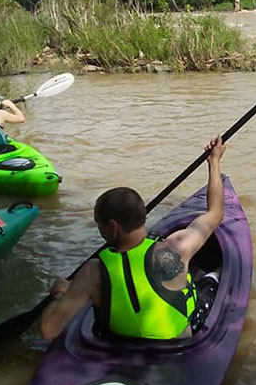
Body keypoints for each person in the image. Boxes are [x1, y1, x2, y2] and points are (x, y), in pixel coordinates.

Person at [41, 136, 227, 342]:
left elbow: (48, 331)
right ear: (142, 216)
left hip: (121, 347)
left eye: (99, 224)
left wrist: (60, 293)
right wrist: (214, 162)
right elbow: (215, 213)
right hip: (177, 344)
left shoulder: (92, 272)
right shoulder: (176, 248)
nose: (99, 230)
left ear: (113, 227)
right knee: (209, 279)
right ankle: (215, 274)